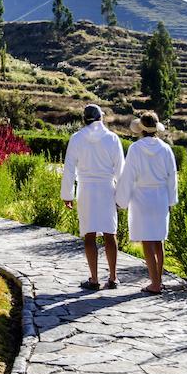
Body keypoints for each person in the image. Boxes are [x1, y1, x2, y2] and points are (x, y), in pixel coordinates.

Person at [61, 104, 125, 290]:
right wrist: (122, 196)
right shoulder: (112, 138)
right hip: (106, 189)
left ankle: (94, 279)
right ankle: (113, 277)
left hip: (86, 189)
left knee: (89, 234)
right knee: (109, 233)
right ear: (100, 118)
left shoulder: (77, 138)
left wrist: (67, 194)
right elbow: (120, 170)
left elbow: (69, 168)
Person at [117, 112, 178, 295]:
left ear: (141, 129)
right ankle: (158, 280)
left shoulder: (136, 149)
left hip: (142, 197)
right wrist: (171, 200)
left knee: (147, 241)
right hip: (160, 197)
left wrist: (122, 200)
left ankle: (155, 284)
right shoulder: (166, 149)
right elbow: (172, 176)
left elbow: (128, 177)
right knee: (158, 241)